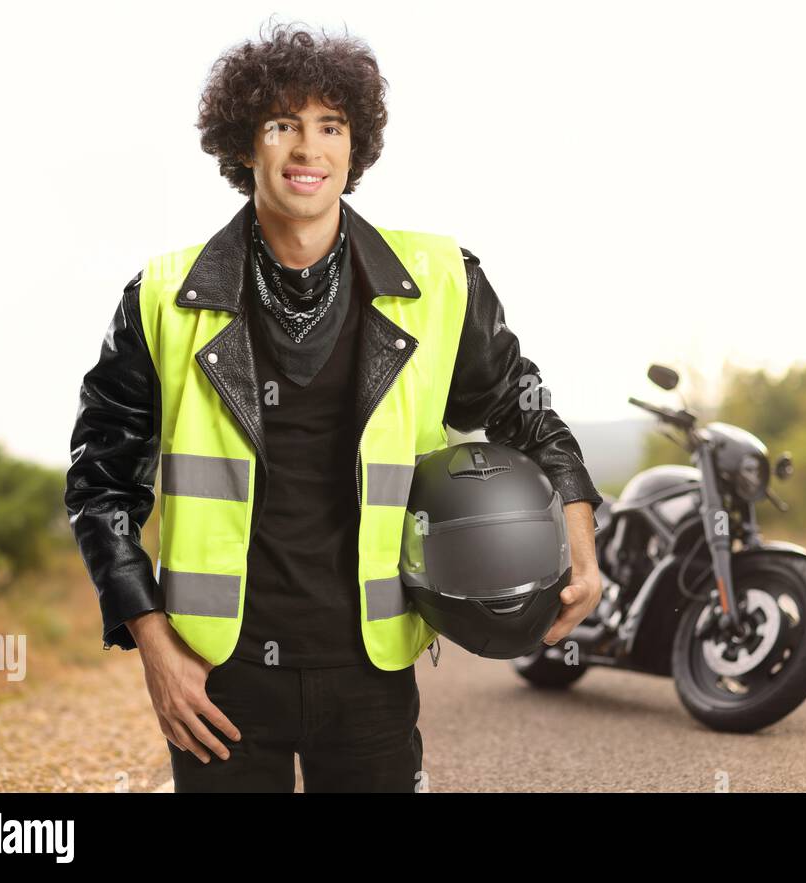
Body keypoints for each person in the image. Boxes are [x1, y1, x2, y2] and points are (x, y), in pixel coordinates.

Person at [64, 20, 603, 792]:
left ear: (356, 148)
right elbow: (101, 484)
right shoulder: (162, 297)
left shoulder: (439, 280)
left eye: (330, 126)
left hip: (370, 672)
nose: (307, 148)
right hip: (218, 676)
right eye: (282, 125)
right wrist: (153, 645)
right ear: (245, 145)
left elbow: (528, 414)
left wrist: (580, 544)